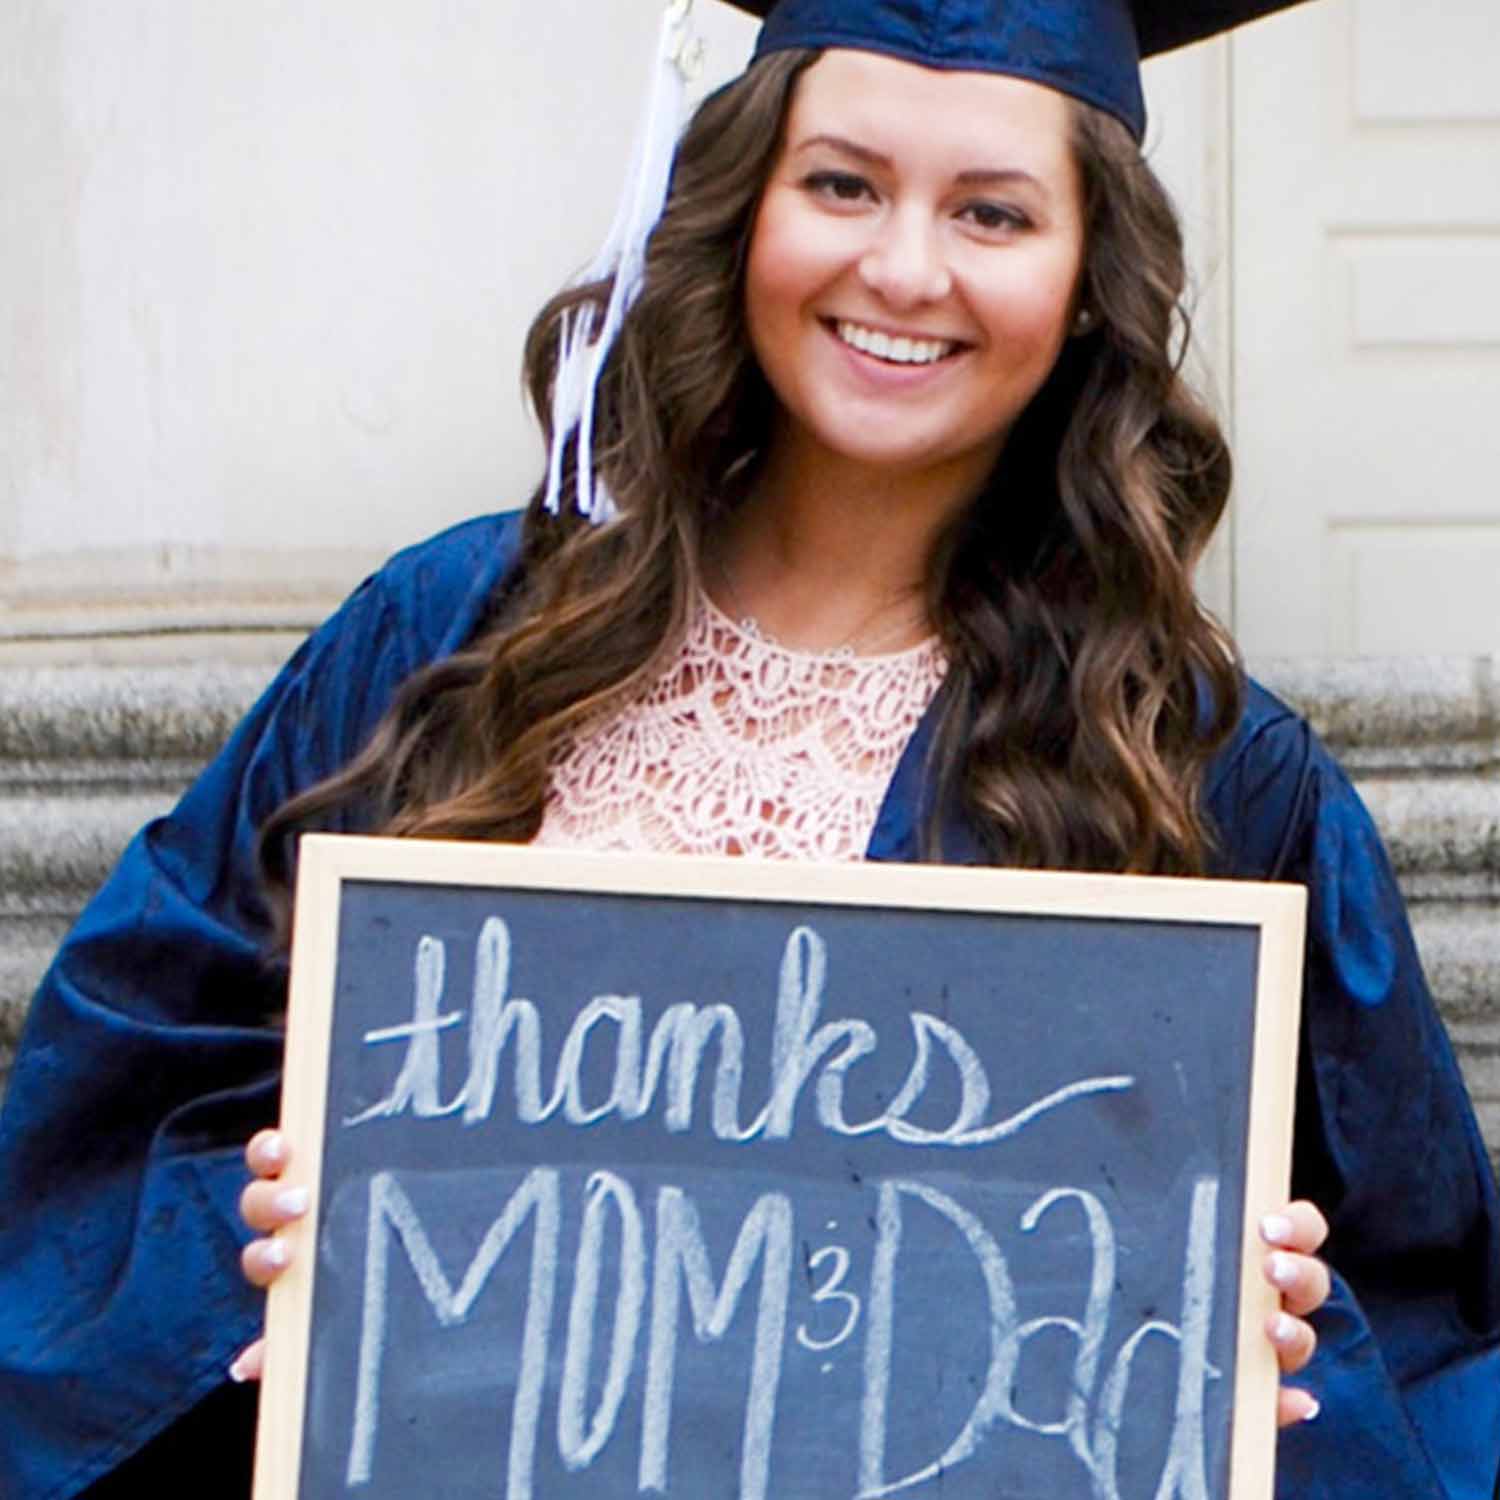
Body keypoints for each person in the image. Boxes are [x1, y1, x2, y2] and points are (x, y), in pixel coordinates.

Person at [1, 1, 1495, 1496]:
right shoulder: (456, 636)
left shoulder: (1197, 764)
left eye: (993, 211)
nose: (904, 269)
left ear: (1090, 279)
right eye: (840, 183)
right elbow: (117, 1101)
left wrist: (1276, 1346)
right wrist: (242, 1238)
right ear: (739, 208)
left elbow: (1425, 1326)